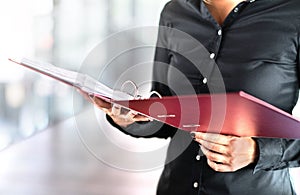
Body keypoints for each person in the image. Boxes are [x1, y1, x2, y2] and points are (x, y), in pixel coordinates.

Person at [86, 0, 300, 194]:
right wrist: (127, 119)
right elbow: (164, 118)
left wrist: (257, 152)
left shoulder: (292, 14)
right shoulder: (175, 12)